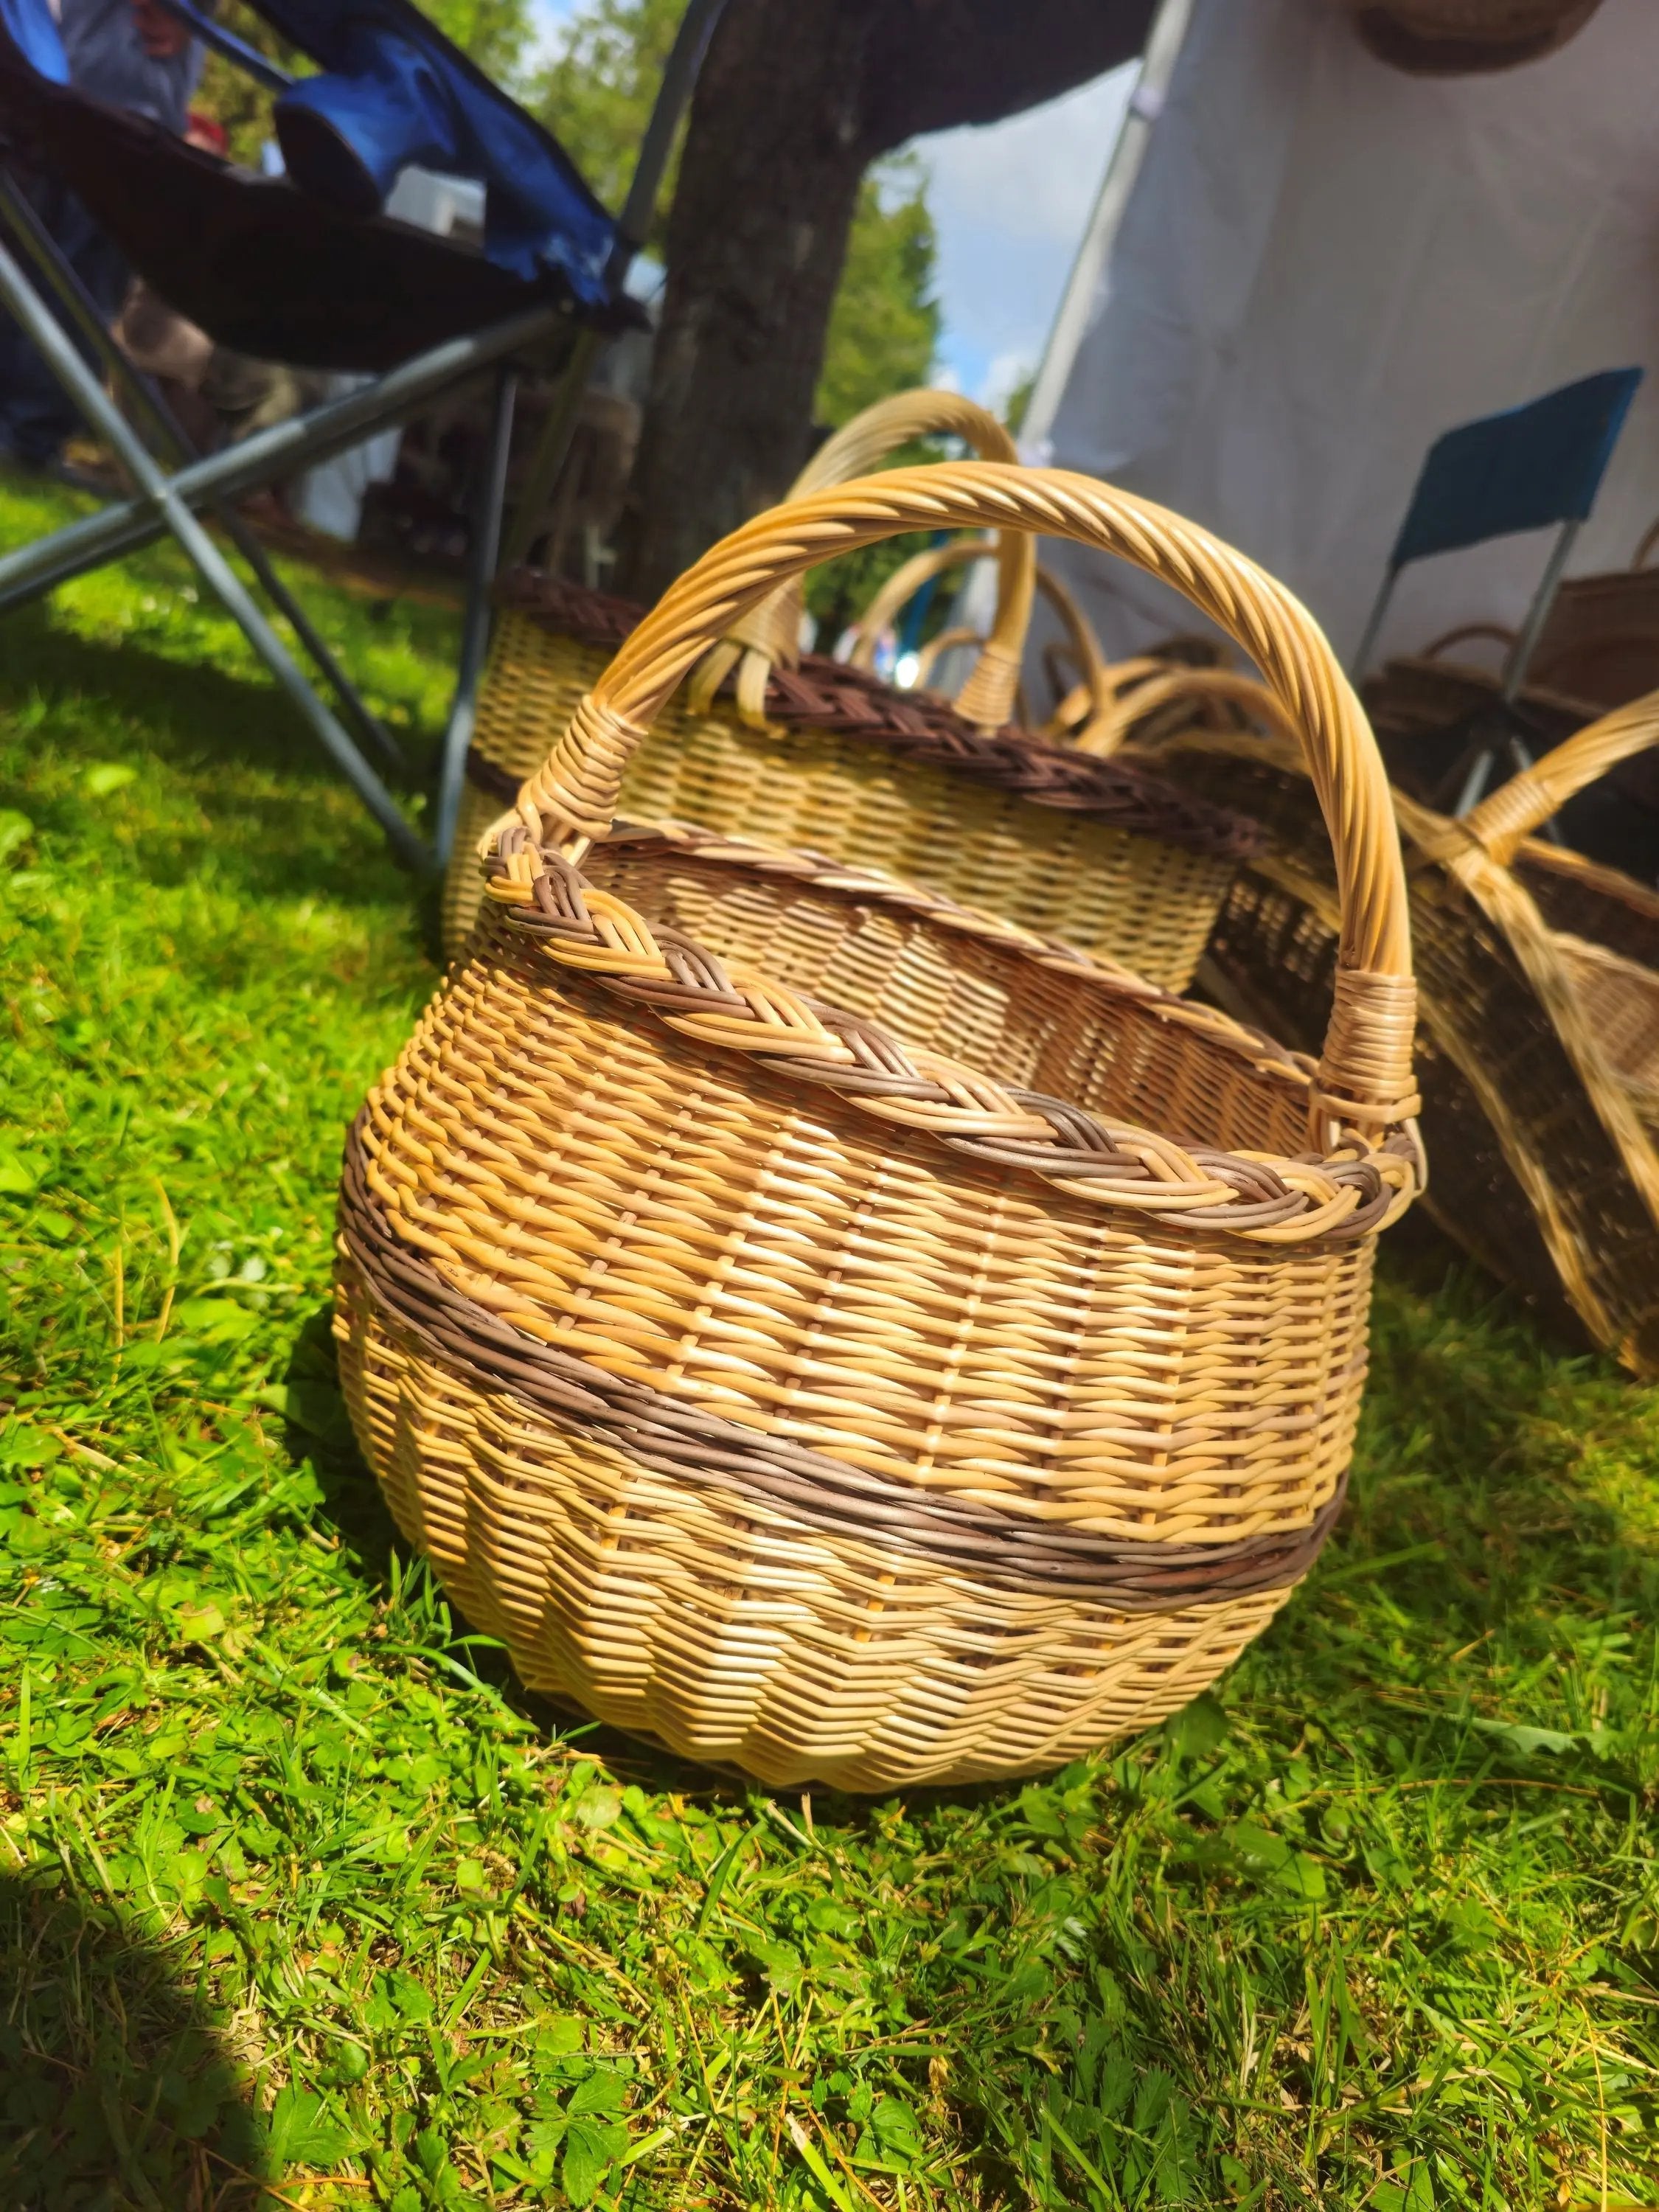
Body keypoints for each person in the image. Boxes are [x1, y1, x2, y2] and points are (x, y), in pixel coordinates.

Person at [0, 0, 201, 470]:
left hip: (89, 103)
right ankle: (28, 435)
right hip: (102, 110)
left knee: (61, 279)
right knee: (69, 285)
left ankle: (29, 433)